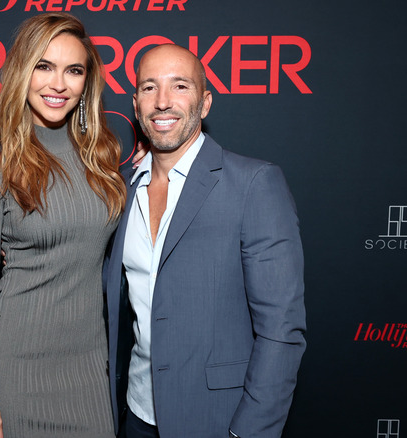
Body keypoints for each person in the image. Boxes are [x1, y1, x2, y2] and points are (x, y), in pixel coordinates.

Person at [103, 44, 306, 438]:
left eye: (180, 86)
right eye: (149, 88)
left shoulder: (253, 184)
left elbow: (281, 329)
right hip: (136, 414)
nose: (162, 102)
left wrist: (248, 433)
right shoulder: (121, 189)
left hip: (217, 421)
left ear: (205, 102)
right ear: (135, 103)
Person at [0, 13, 126, 438]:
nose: (58, 84)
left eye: (73, 70)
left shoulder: (103, 162)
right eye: (44, 66)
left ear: (87, 82)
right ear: (22, 72)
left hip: (89, 369)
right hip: (19, 372)